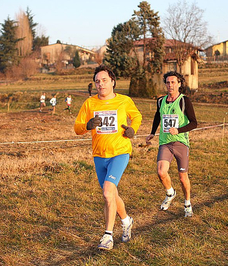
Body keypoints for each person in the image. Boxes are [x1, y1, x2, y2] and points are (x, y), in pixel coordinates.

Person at [74, 64, 142, 250]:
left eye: (104, 80)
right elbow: (77, 127)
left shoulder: (124, 101)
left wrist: (132, 129)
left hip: (120, 152)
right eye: (97, 81)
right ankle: (127, 221)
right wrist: (88, 125)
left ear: (112, 82)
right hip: (99, 155)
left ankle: (107, 236)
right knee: (111, 193)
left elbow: (136, 117)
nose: (100, 84)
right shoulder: (90, 103)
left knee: (106, 192)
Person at [145, 71, 197, 218]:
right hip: (165, 142)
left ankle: (187, 203)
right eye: (168, 82)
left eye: (173, 82)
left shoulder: (184, 101)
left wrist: (178, 130)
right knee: (161, 172)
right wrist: (152, 132)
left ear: (179, 84)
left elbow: (194, 123)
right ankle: (170, 193)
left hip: (181, 142)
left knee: (182, 177)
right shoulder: (160, 101)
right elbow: (157, 116)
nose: (170, 85)